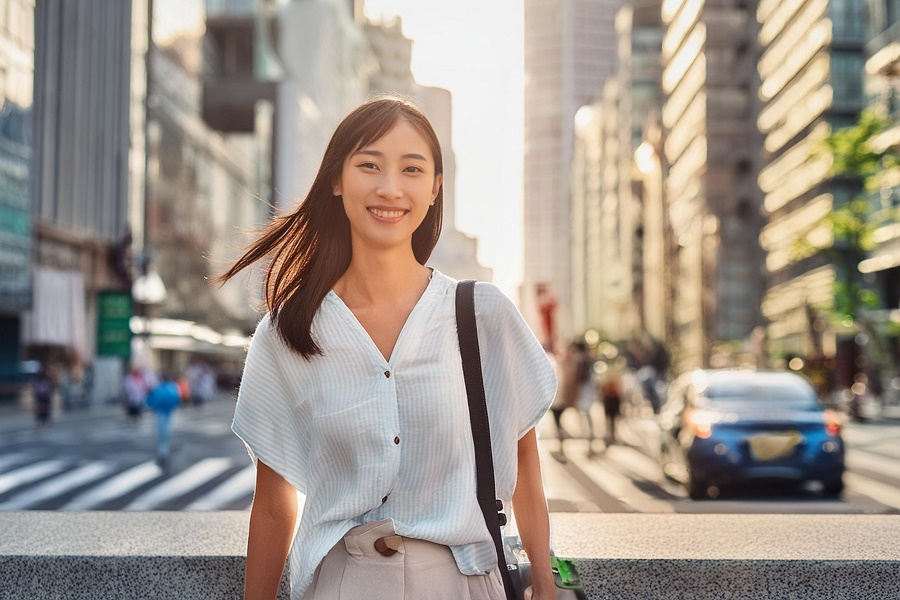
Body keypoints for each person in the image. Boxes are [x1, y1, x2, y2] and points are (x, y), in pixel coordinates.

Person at [218, 96, 559, 600]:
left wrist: (548, 589)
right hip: (343, 583)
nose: (390, 188)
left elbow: (525, 467)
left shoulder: (482, 315)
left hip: (463, 581)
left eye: (412, 169)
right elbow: (273, 503)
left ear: (435, 187)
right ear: (336, 180)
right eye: (369, 165)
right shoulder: (289, 331)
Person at [145, 372, 181, 469]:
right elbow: (177, 400)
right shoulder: (172, 388)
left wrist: (150, 402)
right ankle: (164, 453)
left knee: (160, 435)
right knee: (165, 434)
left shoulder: (159, 388)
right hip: (168, 413)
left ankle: (162, 454)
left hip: (159, 413)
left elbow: (151, 401)